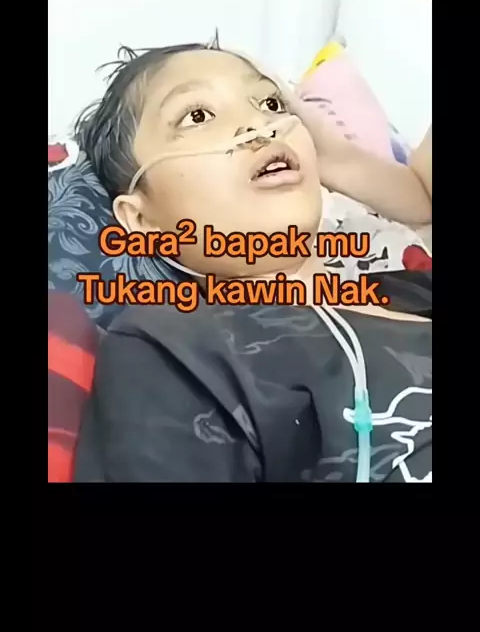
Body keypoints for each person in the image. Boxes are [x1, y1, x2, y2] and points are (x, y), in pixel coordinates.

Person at [73, 43, 432, 483]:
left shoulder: (412, 289)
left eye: (271, 104)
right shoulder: (172, 349)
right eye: (197, 115)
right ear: (141, 220)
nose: (258, 126)